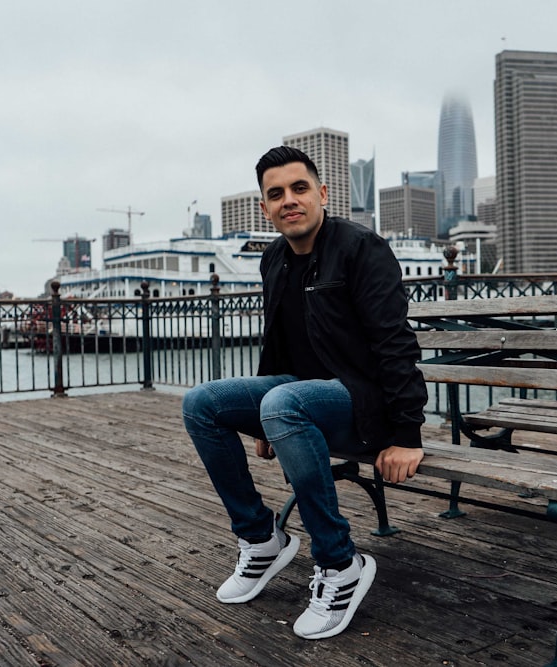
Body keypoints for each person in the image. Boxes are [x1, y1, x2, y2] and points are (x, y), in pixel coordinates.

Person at [182, 145, 428, 640]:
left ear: (322, 193)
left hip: (365, 403)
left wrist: (407, 434)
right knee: (201, 402)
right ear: (264, 207)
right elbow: (277, 343)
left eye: (299, 188)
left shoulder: (362, 248)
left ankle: (341, 565)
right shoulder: (273, 258)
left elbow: (395, 344)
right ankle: (260, 538)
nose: (288, 200)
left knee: (282, 402)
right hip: (298, 399)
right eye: (276, 194)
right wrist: (262, 422)